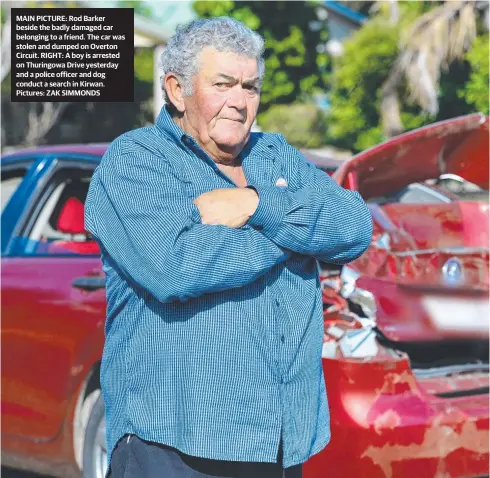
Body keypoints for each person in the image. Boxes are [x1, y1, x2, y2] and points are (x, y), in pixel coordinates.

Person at [84, 16, 372, 478]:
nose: (239, 102)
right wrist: (296, 235)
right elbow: (176, 266)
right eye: (223, 84)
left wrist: (255, 204)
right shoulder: (136, 159)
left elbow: (355, 226)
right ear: (177, 90)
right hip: (175, 445)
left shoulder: (274, 155)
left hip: (280, 441)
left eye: (250, 87)